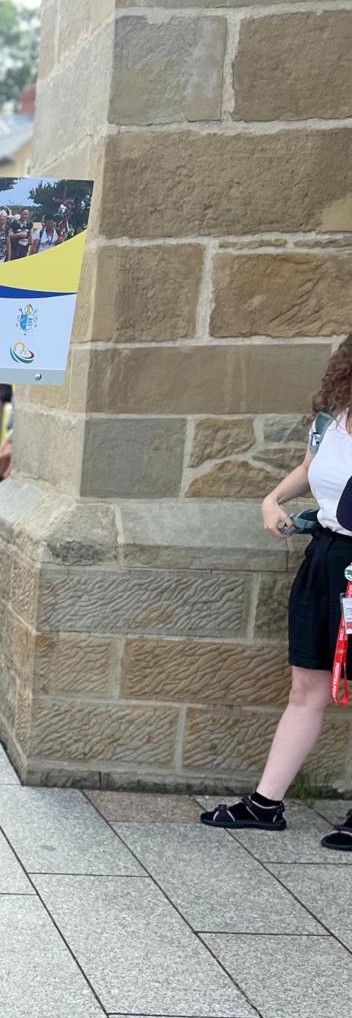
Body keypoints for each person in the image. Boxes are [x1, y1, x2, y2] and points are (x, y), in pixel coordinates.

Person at [203, 337, 352, 848]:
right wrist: (272, 499)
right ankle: (265, 805)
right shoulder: (333, 420)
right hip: (326, 559)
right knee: (306, 687)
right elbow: (311, 469)